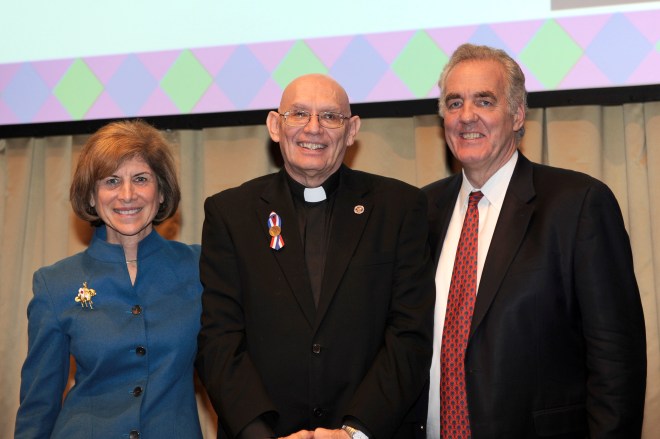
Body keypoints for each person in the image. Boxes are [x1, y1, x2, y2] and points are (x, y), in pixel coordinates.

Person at [424, 43, 647, 438]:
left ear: (517, 114)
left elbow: (616, 361)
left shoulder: (577, 205)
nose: (466, 116)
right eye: (454, 102)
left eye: (485, 101)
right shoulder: (421, 209)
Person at [196, 73, 435, 439]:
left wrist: (353, 432)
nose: (313, 129)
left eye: (330, 117)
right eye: (299, 114)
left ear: (352, 130)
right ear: (275, 126)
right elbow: (220, 340)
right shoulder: (230, 213)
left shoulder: (399, 208)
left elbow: (409, 334)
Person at [15, 120, 204, 439]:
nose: (127, 195)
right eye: (111, 180)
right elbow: (39, 406)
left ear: (161, 193)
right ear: (91, 196)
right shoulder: (55, 283)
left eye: (141, 179)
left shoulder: (200, 266)